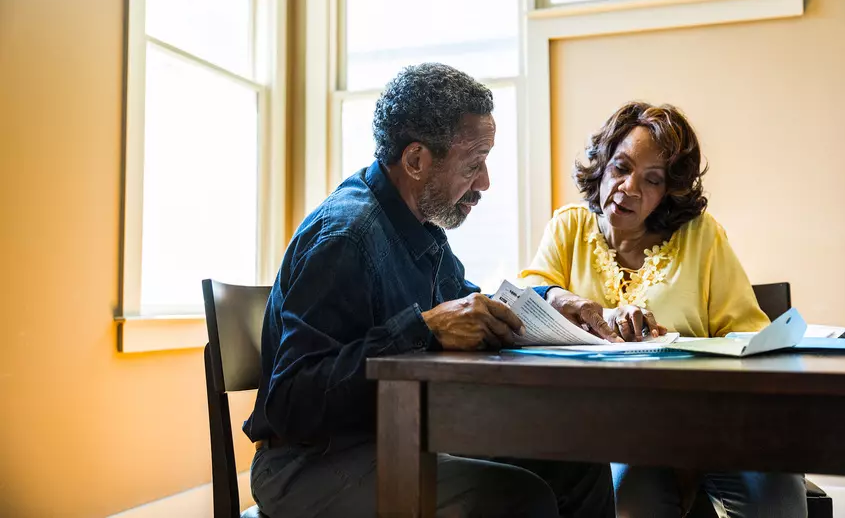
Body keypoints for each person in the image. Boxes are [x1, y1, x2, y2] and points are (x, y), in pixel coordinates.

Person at [244, 63, 615, 518]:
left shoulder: (420, 226)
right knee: (518, 497)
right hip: (307, 463)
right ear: (416, 160)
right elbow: (291, 403)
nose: (485, 182)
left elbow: (472, 308)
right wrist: (423, 330)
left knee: (578, 462)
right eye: (474, 163)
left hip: (400, 435)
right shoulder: (345, 237)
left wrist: (553, 301)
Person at [519, 101, 807, 517]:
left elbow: (748, 336)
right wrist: (559, 296)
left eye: (652, 180)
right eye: (621, 167)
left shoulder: (701, 236)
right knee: (632, 498)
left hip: (710, 424)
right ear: (603, 164)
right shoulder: (569, 226)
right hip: (609, 431)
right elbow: (527, 297)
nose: (629, 188)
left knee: (776, 493)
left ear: (669, 191)